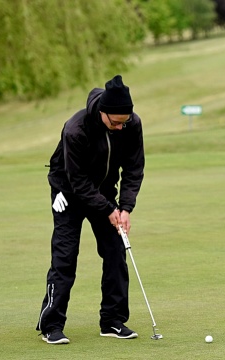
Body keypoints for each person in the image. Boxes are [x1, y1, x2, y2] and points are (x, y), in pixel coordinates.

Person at [36, 75, 145, 344]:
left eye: (125, 121)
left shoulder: (131, 124)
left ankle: (112, 321)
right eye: (115, 123)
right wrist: (109, 209)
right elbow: (78, 180)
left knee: (115, 251)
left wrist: (125, 208)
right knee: (65, 258)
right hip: (68, 193)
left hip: (105, 193)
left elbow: (133, 168)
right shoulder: (76, 128)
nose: (121, 127)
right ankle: (51, 324)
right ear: (102, 113)